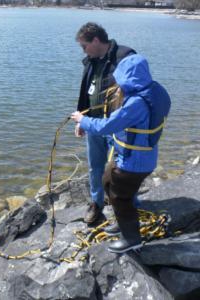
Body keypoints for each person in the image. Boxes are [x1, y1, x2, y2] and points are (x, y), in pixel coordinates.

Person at [71, 54, 171, 253]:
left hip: (133, 162)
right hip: (141, 157)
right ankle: (122, 223)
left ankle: (131, 238)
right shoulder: (155, 91)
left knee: (120, 197)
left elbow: (107, 126)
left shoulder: (136, 103)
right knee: (108, 181)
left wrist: (83, 120)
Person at [75, 22, 136, 225]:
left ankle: (127, 205)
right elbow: (86, 90)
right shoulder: (91, 61)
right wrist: (81, 120)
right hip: (93, 124)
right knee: (95, 167)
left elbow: (136, 93)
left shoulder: (125, 56)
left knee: (119, 169)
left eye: (84, 46)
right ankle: (97, 204)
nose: (83, 51)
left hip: (117, 127)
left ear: (96, 40)